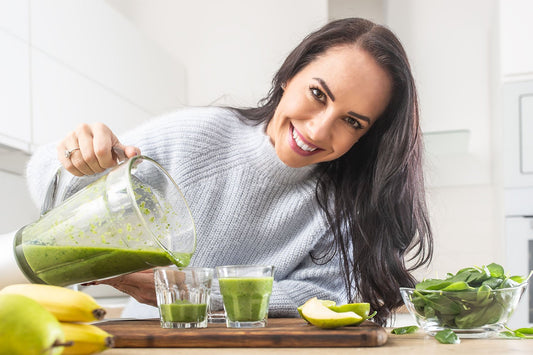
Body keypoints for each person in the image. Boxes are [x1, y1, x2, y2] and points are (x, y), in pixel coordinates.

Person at [25, 17, 433, 326]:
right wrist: (79, 159)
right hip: (150, 341)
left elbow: (324, 293)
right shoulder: (196, 137)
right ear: (291, 75)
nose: (318, 129)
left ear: (367, 136)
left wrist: (197, 289)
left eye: (353, 122)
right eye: (317, 94)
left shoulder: (350, 201)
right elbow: (47, 184)